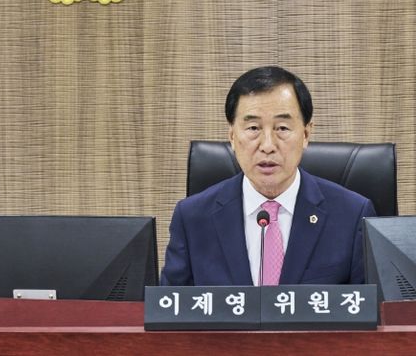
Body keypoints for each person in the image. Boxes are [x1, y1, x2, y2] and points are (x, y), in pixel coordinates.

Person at [160, 66, 376, 286]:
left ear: (305, 134)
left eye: (282, 128)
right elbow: (170, 304)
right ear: (232, 136)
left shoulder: (352, 216)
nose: (268, 145)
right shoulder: (192, 218)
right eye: (253, 128)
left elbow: (371, 305)